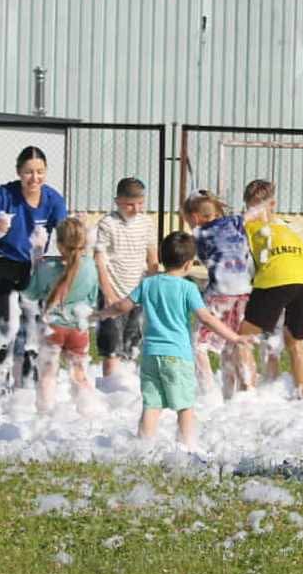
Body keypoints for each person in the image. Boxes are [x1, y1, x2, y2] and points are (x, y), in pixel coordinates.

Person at [97, 232, 248, 450]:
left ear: (161, 258)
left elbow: (122, 306)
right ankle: (187, 447)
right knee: (185, 406)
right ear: (188, 264)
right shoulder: (188, 288)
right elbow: (206, 318)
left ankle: (143, 447)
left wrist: (101, 314)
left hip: (151, 355)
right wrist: (234, 337)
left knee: (151, 405)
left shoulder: (148, 284)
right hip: (178, 356)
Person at [0, 147, 68, 401]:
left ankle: (26, 388)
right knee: (5, 328)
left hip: (33, 267)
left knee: (33, 329)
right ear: (19, 172)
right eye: (28, 172)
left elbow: (65, 236)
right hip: (1, 265)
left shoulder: (53, 199)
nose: (34, 178)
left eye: (40, 172)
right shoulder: (4, 195)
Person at [240, 179, 303, 398]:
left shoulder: (248, 226)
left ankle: (246, 395)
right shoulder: (287, 226)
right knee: (295, 340)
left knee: (243, 338)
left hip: (277, 278)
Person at [22, 217, 101, 414]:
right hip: (78, 327)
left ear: (58, 244)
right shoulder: (90, 266)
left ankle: (45, 412)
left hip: (53, 327)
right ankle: (88, 411)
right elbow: (92, 297)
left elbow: (31, 294)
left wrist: (36, 259)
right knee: (79, 373)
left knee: (48, 374)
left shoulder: (47, 267)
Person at [183, 191, 256, 401]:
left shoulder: (199, 233)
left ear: (195, 217)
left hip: (220, 292)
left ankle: (208, 393)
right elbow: (254, 213)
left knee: (197, 344)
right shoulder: (234, 222)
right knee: (234, 341)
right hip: (244, 292)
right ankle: (244, 390)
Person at [93, 178, 160, 380]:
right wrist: (108, 293)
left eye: (140, 203)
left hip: (137, 293)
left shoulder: (146, 223)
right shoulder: (108, 223)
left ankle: (126, 389)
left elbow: (152, 258)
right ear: (118, 201)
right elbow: (99, 260)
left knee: (132, 346)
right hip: (113, 291)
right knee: (111, 347)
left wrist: (151, 289)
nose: (136, 209)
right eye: (130, 204)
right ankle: (109, 388)